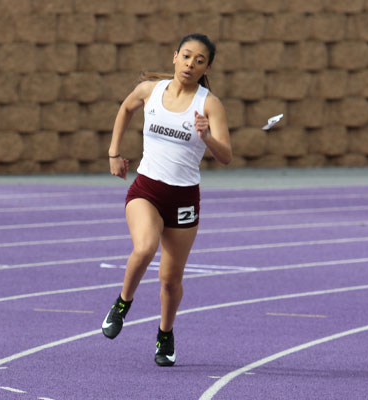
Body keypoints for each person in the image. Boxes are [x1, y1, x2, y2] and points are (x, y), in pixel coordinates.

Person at [101, 33, 232, 367]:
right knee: (144, 248)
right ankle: (122, 303)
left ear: (207, 67)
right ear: (174, 56)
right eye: (186, 56)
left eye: (199, 60)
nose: (190, 64)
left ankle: (165, 334)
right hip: (146, 189)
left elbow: (226, 155)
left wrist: (206, 136)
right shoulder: (151, 91)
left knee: (170, 281)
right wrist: (114, 153)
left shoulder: (209, 104)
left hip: (184, 197)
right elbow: (125, 108)